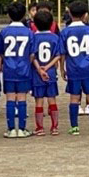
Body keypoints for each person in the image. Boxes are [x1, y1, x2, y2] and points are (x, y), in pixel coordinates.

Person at [60, 0, 89, 136]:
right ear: (85, 15)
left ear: (70, 14)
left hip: (73, 68)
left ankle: (74, 127)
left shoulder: (65, 32)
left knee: (74, 97)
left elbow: (63, 53)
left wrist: (62, 69)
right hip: (88, 68)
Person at [0, 1, 33, 138]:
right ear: (24, 15)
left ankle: (11, 129)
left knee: (10, 99)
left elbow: (0, 52)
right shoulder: (29, 32)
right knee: (22, 98)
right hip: (24, 69)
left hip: (9, 69)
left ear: (8, 15)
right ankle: (22, 129)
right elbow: (32, 54)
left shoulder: (4, 32)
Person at [29, 8, 62, 136]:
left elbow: (32, 56)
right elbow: (58, 55)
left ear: (35, 24)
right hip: (51, 72)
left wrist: (40, 69)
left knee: (39, 100)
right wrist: (47, 67)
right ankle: (54, 127)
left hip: (37, 73)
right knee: (52, 99)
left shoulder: (33, 37)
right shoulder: (55, 37)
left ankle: (40, 128)